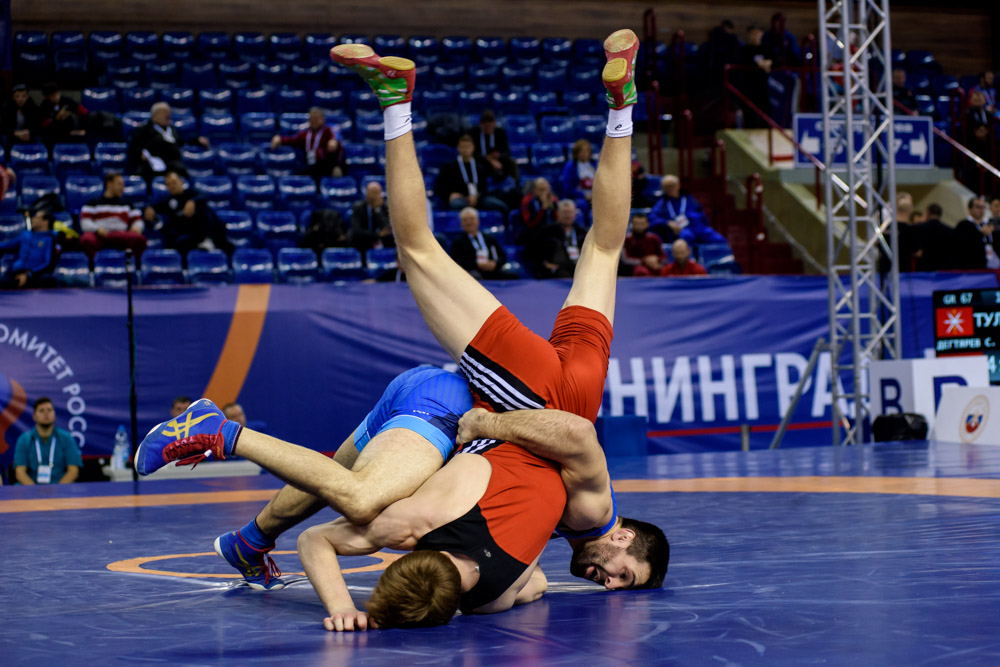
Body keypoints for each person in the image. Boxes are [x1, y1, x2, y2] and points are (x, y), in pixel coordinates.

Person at [138, 28, 668, 630]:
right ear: (623, 536)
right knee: (416, 250)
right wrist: (488, 424)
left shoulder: (558, 529)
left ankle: (621, 110)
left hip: (570, 387)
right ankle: (396, 105)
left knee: (603, 250)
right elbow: (574, 436)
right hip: (531, 400)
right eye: (622, 574)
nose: (607, 583)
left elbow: (530, 562)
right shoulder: (589, 512)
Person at [143, 171, 233, 257]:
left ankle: (207, 239)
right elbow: (155, 207)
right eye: (168, 184)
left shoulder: (192, 194)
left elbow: (203, 197)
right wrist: (150, 208)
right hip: (187, 235)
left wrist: (193, 201)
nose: (172, 186)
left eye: (174, 182)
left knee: (203, 208)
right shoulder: (167, 201)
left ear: (181, 182)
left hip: (203, 231)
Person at [127, 102, 210, 181]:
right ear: (155, 115)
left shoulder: (172, 129)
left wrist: (196, 140)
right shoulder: (144, 129)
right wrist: (140, 154)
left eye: (169, 112)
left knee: (182, 171)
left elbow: (182, 141)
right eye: (165, 112)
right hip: (153, 163)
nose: (168, 115)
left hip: (173, 163)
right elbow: (134, 146)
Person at [13, 397, 81, 485]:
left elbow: (73, 471)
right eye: (41, 411)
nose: (46, 413)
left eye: (49, 410)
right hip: (31, 487)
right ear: (34, 417)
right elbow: (20, 472)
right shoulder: (24, 439)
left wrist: (59, 490)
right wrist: (34, 491)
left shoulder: (66, 438)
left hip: (60, 487)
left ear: (54, 414)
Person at [433, 134, 507, 214]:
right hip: (461, 198)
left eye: (468, 147)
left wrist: (477, 196)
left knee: (501, 206)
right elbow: (439, 187)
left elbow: (484, 188)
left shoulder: (479, 166)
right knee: (457, 204)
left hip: (478, 198)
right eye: (463, 147)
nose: (465, 150)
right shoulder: (449, 167)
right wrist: (450, 194)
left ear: (473, 148)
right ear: (458, 148)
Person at [79, 173, 147, 260]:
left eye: (123, 185)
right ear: (109, 184)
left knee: (140, 239)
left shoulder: (127, 204)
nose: (122, 188)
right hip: (100, 236)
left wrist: (137, 227)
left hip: (121, 236)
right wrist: (97, 229)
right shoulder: (93, 203)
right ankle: (94, 264)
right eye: (119, 184)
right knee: (86, 239)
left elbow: (138, 220)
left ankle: (132, 264)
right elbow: (85, 222)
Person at [271, 107, 344, 184]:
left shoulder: (328, 131)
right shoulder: (304, 133)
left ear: (322, 119)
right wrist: (280, 139)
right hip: (311, 166)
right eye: (312, 118)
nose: (314, 121)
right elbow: (293, 140)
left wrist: (337, 165)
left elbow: (336, 143)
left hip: (326, 166)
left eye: (316, 118)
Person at [649, 175, 726, 245]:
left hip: (698, 227)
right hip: (681, 230)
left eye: (672, 186)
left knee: (719, 240)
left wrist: (704, 225)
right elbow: (653, 218)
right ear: (663, 189)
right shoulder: (662, 204)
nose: (670, 189)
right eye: (667, 187)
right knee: (687, 237)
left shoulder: (688, 198)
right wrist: (668, 223)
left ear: (678, 185)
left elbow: (701, 214)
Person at [448, 207, 513, 280]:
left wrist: (495, 264)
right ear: (461, 223)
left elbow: (502, 256)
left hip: (492, 270)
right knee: (475, 276)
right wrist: (476, 265)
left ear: (478, 220)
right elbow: (456, 262)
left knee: (512, 276)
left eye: (472, 219)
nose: (469, 222)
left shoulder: (489, 238)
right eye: (465, 220)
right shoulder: (457, 242)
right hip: (472, 272)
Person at [0, 209, 60, 288]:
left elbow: (48, 263)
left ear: (45, 221)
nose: (32, 219)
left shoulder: (51, 239)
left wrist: (29, 274)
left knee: (48, 280)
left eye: (36, 217)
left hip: (36, 274)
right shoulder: (26, 234)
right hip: (16, 272)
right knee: (3, 281)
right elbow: (8, 245)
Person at [528, 199, 588, 279]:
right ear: (558, 213)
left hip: (579, 268)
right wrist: (544, 264)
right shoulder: (547, 232)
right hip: (558, 270)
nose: (567, 215)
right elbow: (533, 251)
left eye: (570, 212)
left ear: (575, 214)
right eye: (564, 212)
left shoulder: (582, 232)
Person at [737, 24, 774, 128]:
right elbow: (742, 62)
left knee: (765, 112)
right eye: (752, 34)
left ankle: (767, 132)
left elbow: (775, 61)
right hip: (749, 86)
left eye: (756, 33)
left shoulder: (767, 49)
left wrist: (767, 63)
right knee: (750, 113)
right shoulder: (744, 50)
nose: (754, 36)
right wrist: (760, 64)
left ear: (761, 34)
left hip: (764, 86)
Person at [348, 181, 393, 256]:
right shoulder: (358, 207)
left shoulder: (385, 207)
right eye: (373, 192)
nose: (374, 196)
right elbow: (356, 231)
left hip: (383, 243)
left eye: (377, 193)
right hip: (364, 243)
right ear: (367, 194)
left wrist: (377, 210)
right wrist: (377, 235)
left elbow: (387, 228)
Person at [954, 196, 998, 270]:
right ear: (970, 209)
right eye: (978, 207)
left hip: (990, 265)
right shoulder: (963, 225)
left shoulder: (988, 224)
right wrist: (980, 234)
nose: (981, 210)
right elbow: (963, 246)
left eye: (983, 207)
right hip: (971, 267)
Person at [38, 82, 88, 146]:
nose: (55, 98)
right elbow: (43, 127)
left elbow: (84, 112)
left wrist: (82, 129)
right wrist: (56, 118)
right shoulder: (44, 106)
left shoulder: (67, 101)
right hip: (53, 135)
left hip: (70, 133)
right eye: (51, 96)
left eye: (56, 94)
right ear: (46, 97)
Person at [621, 212, 667, 277]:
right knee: (640, 271)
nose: (639, 226)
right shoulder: (626, 240)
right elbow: (625, 260)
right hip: (634, 270)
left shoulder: (654, 238)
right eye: (636, 224)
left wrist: (657, 259)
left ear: (647, 224)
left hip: (654, 266)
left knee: (665, 270)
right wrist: (644, 261)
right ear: (632, 224)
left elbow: (664, 258)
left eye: (642, 224)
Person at [559, 138, 597, 214]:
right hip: (578, 197)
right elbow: (568, 188)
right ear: (576, 153)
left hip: (595, 194)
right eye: (581, 151)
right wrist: (584, 195)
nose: (584, 154)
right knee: (583, 205)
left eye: (586, 151)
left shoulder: (595, 164)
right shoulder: (570, 166)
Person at [914, 203, 955, 271]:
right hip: (944, 269)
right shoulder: (950, 230)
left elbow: (916, 251)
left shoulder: (918, 228)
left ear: (927, 213)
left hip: (924, 269)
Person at [518, 177, 558, 242]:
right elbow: (530, 223)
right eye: (541, 190)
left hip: (550, 230)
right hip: (533, 232)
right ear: (535, 190)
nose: (544, 192)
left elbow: (558, 219)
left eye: (546, 189)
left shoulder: (553, 199)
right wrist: (542, 209)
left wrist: (551, 206)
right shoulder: (527, 200)